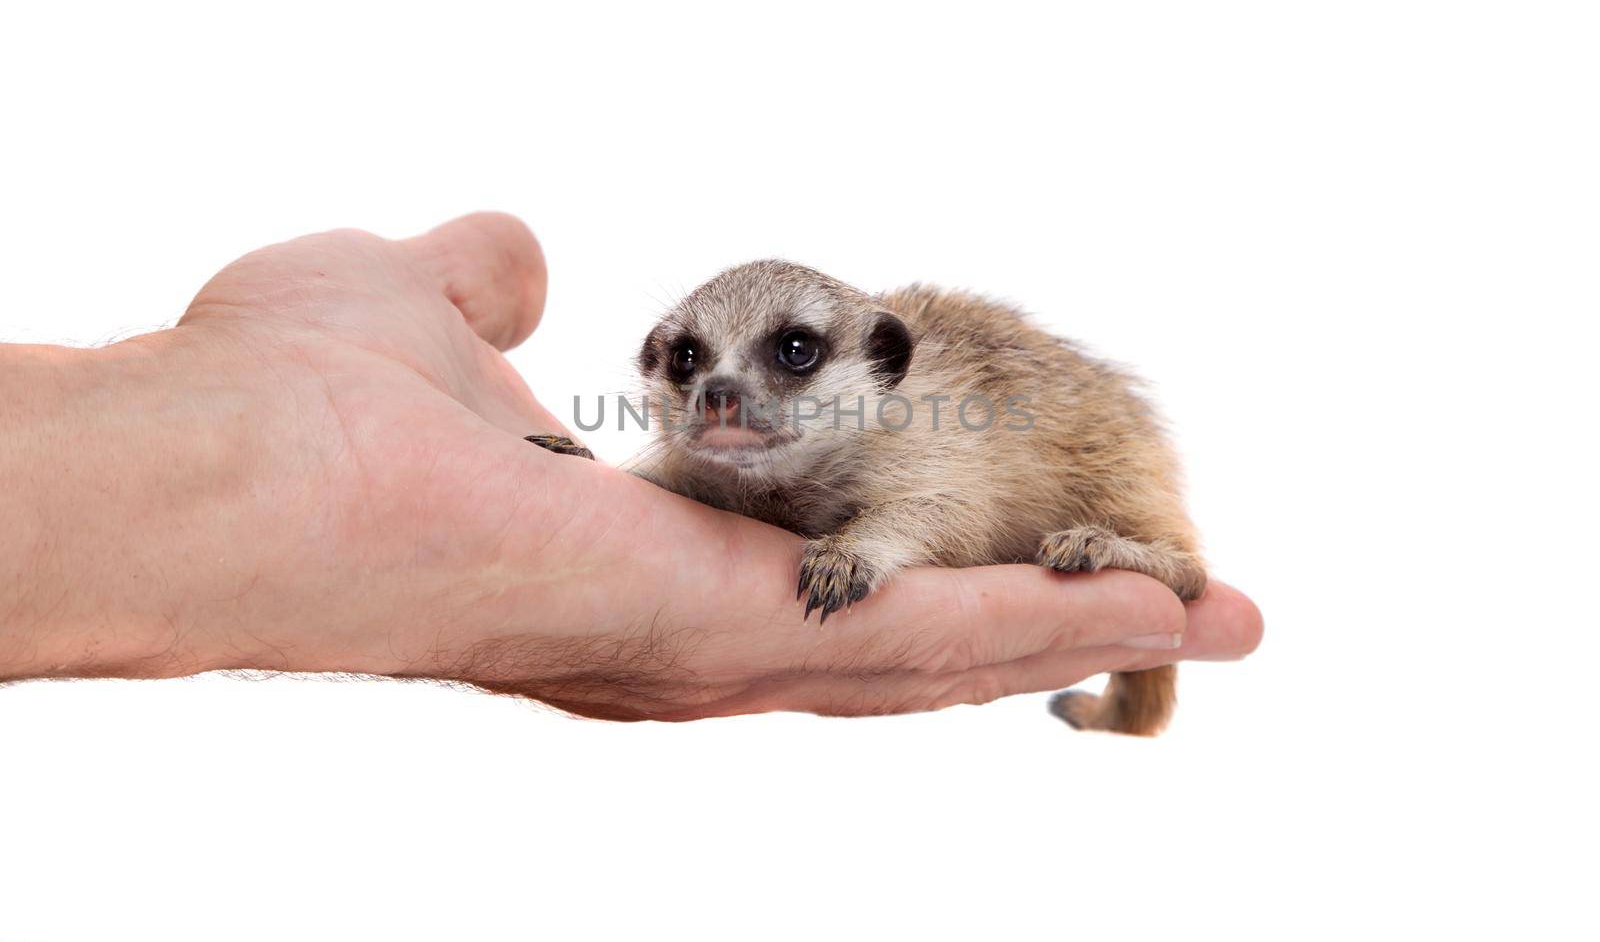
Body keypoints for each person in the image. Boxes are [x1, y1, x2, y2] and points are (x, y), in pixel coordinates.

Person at [0, 212, 1262, 718]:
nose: (726, 390)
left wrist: (867, 550)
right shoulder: (696, 435)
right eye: (691, 364)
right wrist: (563, 473)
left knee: (1132, 546)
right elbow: (654, 483)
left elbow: (921, 512)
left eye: (789, 355)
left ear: (877, 369)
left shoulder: (934, 426)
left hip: (1074, 466)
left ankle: (1141, 599)